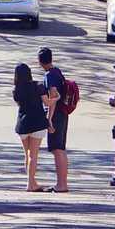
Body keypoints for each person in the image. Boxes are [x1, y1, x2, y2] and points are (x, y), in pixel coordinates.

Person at [12, 63, 52, 191]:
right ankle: (30, 185)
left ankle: (32, 182)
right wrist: (57, 98)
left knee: (27, 154)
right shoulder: (38, 86)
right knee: (33, 155)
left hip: (23, 124)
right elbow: (47, 102)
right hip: (37, 123)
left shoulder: (16, 90)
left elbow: (19, 104)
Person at [37, 47, 69, 192]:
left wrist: (49, 119)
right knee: (61, 149)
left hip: (55, 114)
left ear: (39, 61)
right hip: (63, 113)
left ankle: (61, 184)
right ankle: (63, 183)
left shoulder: (49, 75)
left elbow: (53, 97)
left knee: (56, 149)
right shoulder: (57, 71)